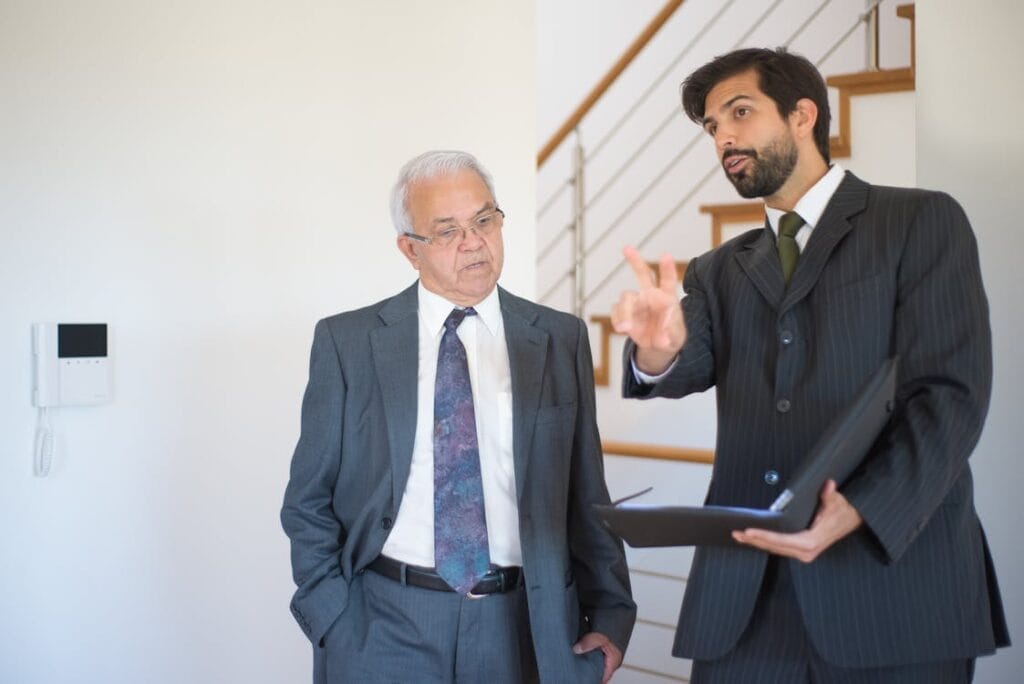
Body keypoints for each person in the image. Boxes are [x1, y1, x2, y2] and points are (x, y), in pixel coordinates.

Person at [611, 48, 1009, 682]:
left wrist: (857, 509)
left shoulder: (919, 220)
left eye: (739, 112)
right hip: (746, 604)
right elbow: (683, 365)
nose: (724, 138)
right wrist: (657, 349)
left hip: (892, 585)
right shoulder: (718, 269)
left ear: (804, 115)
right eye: (712, 126)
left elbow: (950, 397)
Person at [282, 150, 635, 683]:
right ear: (410, 250)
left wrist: (609, 616)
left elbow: (586, 493)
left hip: (522, 624)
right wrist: (333, 616)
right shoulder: (348, 342)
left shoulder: (559, 339)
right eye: (446, 232)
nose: (473, 243)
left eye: (485, 220)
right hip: (382, 623)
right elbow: (308, 499)